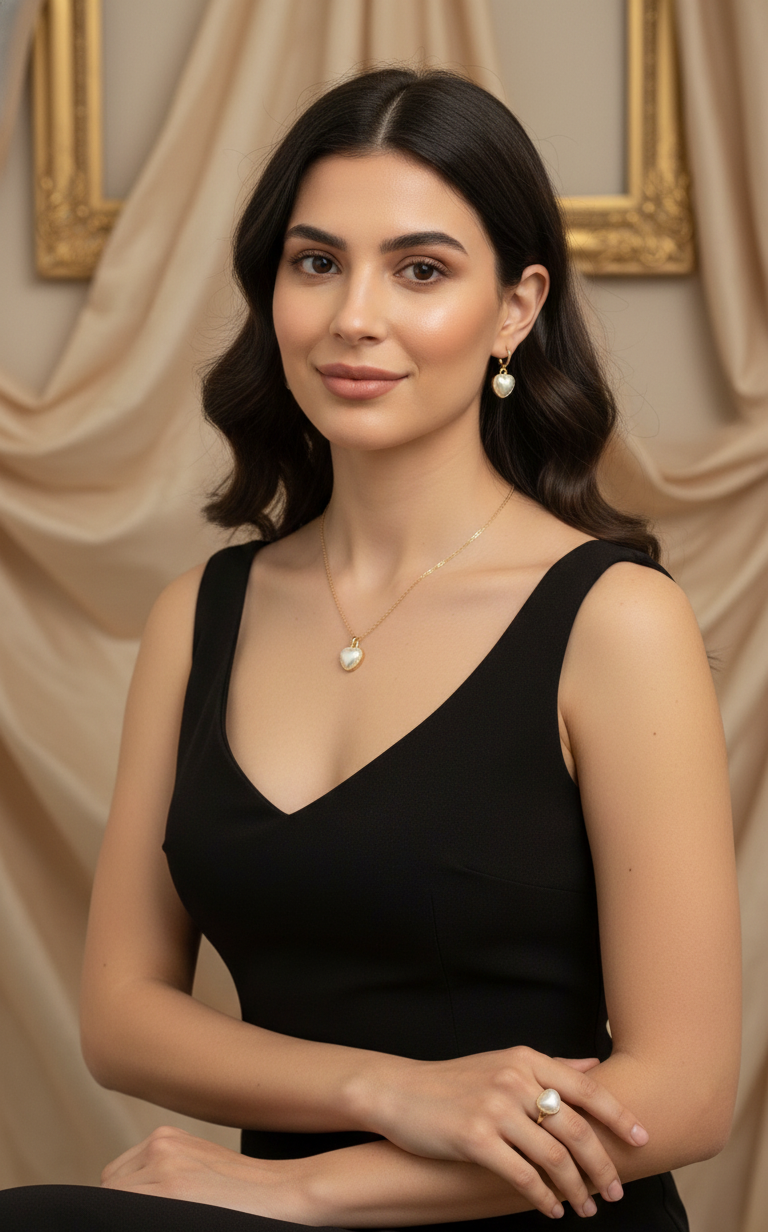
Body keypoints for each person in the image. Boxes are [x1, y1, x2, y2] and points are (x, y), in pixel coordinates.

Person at [0, 67, 740, 1231]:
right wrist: (385, 1088)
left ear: (516, 306)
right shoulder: (199, 611)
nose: (355, 314)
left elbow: (687, 1094)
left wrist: (298, 1185)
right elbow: (122, 1012)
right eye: (316, 261)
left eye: (422, 269)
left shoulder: (613, 619)